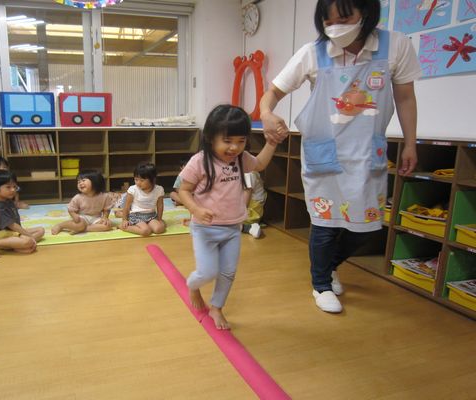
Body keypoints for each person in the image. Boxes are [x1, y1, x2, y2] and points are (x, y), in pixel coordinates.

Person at [259, 0, 419, 313]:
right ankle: (320, 284)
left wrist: (411, 143)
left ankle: (328, 265)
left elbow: (405, 98)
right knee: (325, 224)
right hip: (325, 154)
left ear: (365, 14)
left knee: (366, 226)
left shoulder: (395, 46)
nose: (335, 28)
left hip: (367, 154)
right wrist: (266, 113)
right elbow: (273, 92)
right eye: (328, 21)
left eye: (344, 19)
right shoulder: (312, 53)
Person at [178, 104, 277, 330]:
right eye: (227, 141)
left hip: (232, 228)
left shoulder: (241, 159)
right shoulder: (199, 161)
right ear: (210, 138)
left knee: (228, 273)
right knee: (207, 272)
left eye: (241, 141)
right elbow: (183, 190)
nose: (234, 147)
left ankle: (217, 308)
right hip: (205, 229)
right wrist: (196, 210)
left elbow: (260, 164)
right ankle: (193, 285)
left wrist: (271, 143)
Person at [0, 170, 45, 259]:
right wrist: (29, 236)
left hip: (11, 232)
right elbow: (12, 225)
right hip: (0, 235)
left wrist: (25, 234)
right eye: (8, 187)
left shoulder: (7, 200)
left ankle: (17, 246)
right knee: (28, 241)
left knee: (41, 230)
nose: (13, 190)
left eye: (14, 186)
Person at [51, 170, 113, 235]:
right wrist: (74, 216)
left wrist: (105, 217)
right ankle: (61, 225)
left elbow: (106, 209)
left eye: (83, 180)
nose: (80, 183)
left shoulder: (105, 196)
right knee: (80, 225)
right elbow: (71, 209)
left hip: (96, 217)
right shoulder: (78, 197)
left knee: (107, 225)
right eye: (78, 182)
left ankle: (82, 229)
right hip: (82, 217)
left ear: (95, 181)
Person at [120, 162, 166, 236]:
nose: (138, 183)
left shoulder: (159, 189)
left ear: (152, 180)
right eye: (136, 179)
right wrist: (124, 220)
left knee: (159, 229)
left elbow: (160, 205)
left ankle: (148, 225)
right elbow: (127, 206)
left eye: (142, 180)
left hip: (151, 216)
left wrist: (159, 219)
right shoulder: (133, 189)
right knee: (146, 231)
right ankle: (123, 227)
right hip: (136, 216)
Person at [241, 171, 267, 239]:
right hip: (250, 208)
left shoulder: (248, 174)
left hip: (252, 210)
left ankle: (248, 227)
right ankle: (247, 227)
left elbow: (245, 202)